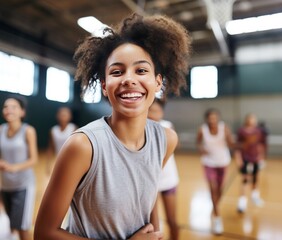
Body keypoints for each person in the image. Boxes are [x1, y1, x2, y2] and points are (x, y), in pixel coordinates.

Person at [34, 13, 191, 240]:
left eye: (141, 70)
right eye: (117, 72)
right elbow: (43, 234)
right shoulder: (83, 146)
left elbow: (148, 196)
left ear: (158, 82)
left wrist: (155, 233)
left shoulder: (167, 139)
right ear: (105, 87)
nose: (129, 79)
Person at [0, 95, 38, 240]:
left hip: (24, 186)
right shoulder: (1, 130)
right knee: (13, 226)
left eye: (14, 107)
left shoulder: (28, 131)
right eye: (6, 106)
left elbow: (33, 159)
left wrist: (14, 167)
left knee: (23, 229)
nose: (9, 109)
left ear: (22, 112)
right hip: (6, 186)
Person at [196, 108, 234, 235]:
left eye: (215, 117)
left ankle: (215, 207)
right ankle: (217, 219)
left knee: (220, 191)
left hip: (223, 162)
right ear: (207, 118)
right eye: (210, 117)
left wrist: (243, 145)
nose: (212, 120)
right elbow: (198, 142)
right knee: (213, 189)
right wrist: (201, 149)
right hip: (209, 163)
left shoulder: (224, 128)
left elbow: (231, 143)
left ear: (218, 118)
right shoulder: (203, 129)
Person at [148, 98, 180, 240]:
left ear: (162, 113)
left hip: (168, 179)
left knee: (172, 220)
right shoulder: (140, 127)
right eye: (151, 110)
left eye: (157, 111)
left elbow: (174, 147)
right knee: (153, 226)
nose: (154, 114)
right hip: (149, 183)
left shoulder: (167, 127)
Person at [235, 113, 264, 213]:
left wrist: (260, 157)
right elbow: (237, 146)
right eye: (251, 118)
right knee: (245, 179)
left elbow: (260, 144)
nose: (253, 120)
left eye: (254, 118)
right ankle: (242, 202)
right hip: (245, 158)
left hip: (255, 158)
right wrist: (238, 158)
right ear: (247, 119)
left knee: (255, 178)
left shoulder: (258, 131)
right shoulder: (241, 131)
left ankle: (255, 196)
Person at [46, 107, 77, 174]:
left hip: (72, 161)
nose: (63, 117)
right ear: (57, 116)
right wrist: (48, 165)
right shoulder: (53, 130)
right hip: (59, 161)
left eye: (65, 115)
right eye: (61, 114)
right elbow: (50, 148)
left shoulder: (73, 128)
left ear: (70, 116)